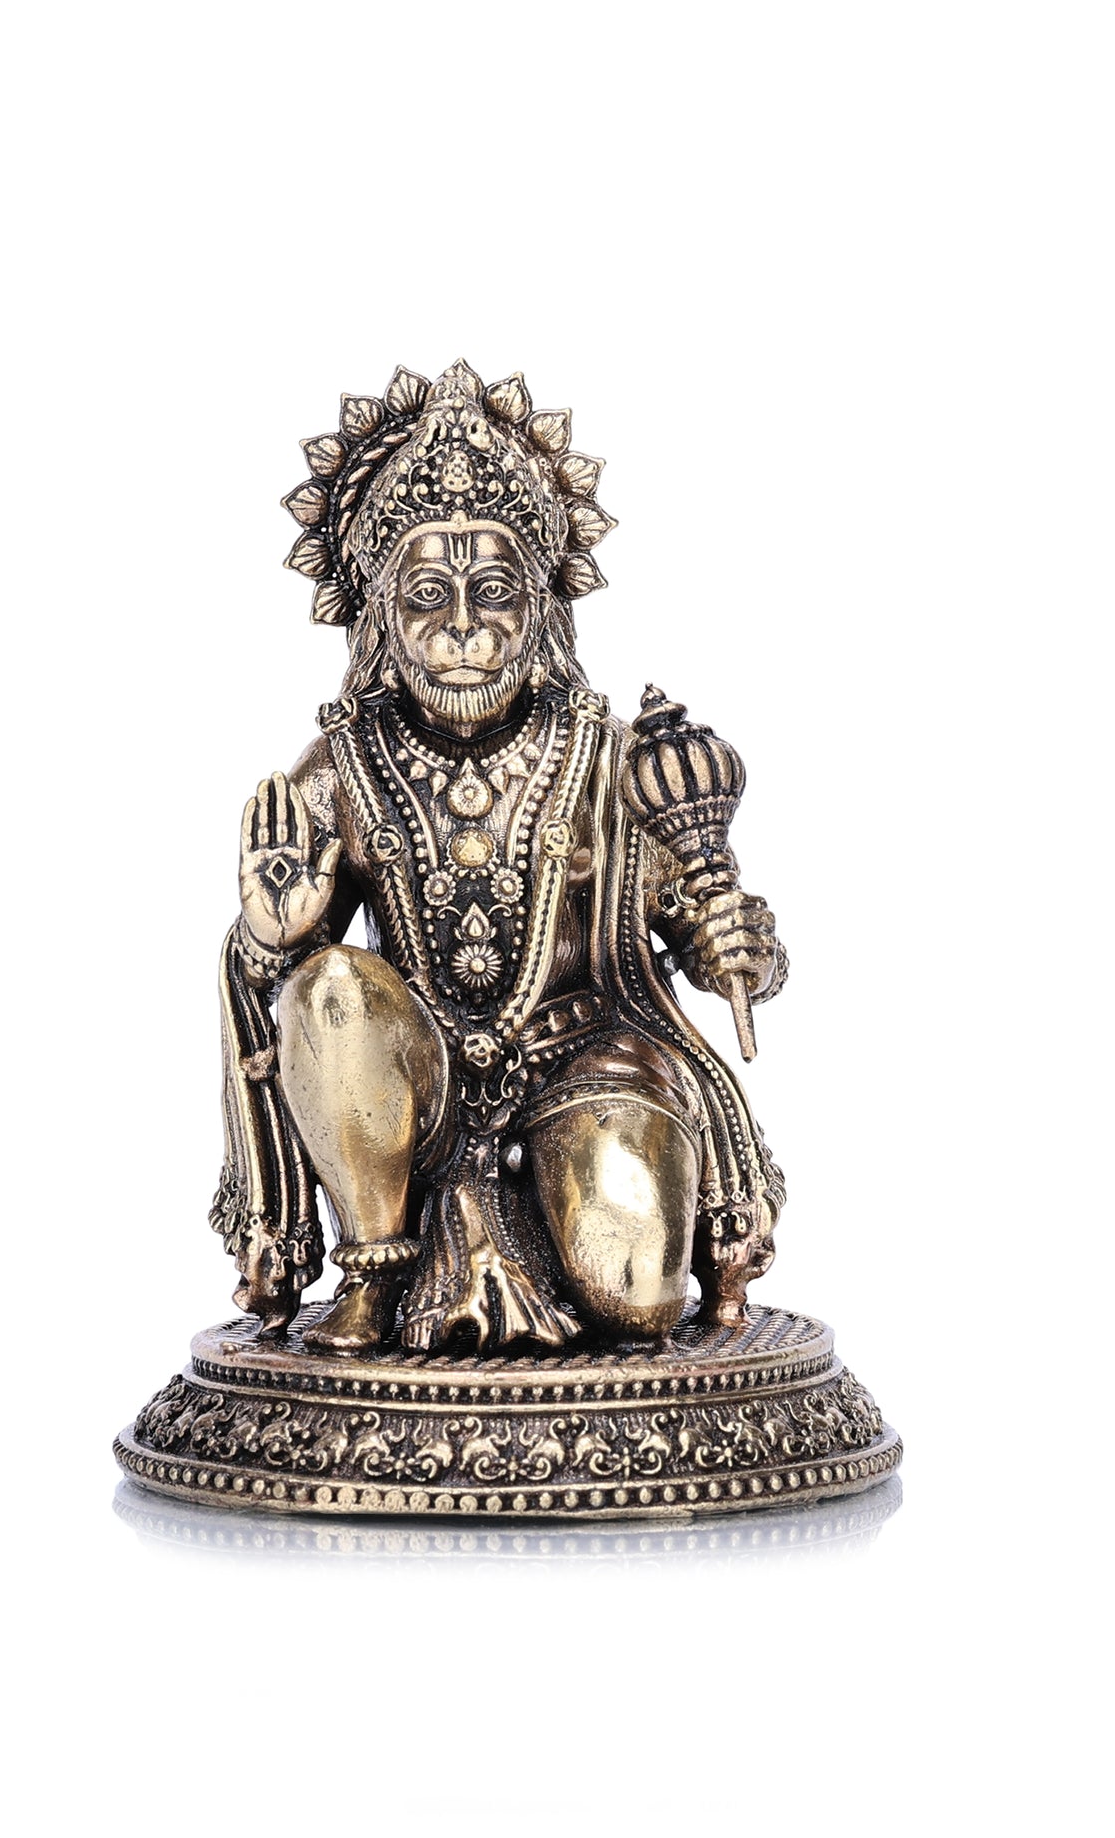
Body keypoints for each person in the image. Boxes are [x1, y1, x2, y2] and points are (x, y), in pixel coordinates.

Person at [211, 363, 786, 1353]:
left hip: (587, 1055)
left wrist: (741, 946)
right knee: (331, 988)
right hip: (417, 1075)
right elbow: (279, 989)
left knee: (638, 1300)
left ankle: (566, 1235)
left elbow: (707, 936)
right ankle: (375, 1268)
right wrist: (271, 942)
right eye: (428, 598)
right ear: (380, 616)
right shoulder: (342, 765)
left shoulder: (602, 759)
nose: (464, 630)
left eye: (494, 594)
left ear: (541, 608)